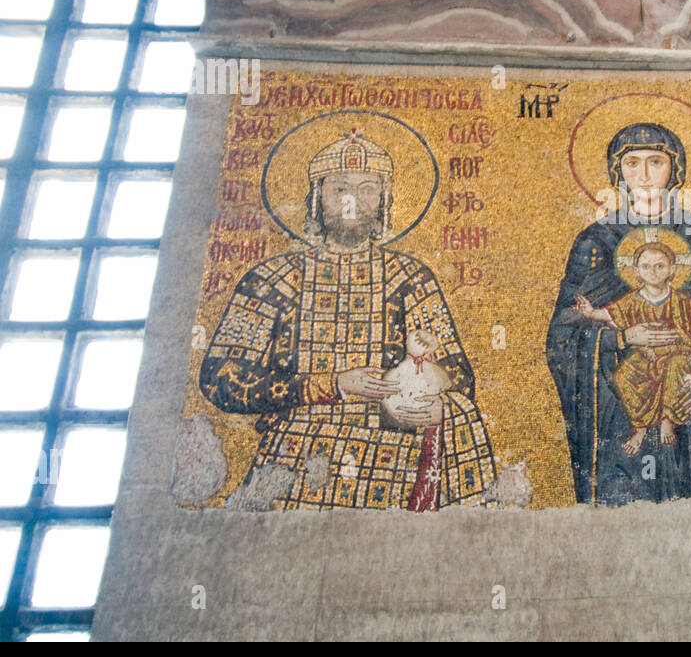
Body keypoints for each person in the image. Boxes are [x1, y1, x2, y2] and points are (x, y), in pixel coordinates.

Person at [199, 130, 496, 511]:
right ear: (316, 198)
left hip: (395, 460)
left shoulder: (410, 278)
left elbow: (456, 371)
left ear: (385, 200)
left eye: (368, 188)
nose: (353, 201)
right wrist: (330, 385)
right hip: (297, 459)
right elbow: (221, 376)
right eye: (340, 188)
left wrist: (440, 406)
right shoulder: (272, 279)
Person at [547, 122, 691, 505]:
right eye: (632, 163)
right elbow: (563, 336)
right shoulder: (596, 243)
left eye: (655, 162)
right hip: (620, 403)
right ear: (616, 172)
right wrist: (621, 337)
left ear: (676, 170)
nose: (643, 174)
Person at [574, 241, 691, 456]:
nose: (652, 272)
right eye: (645, 266)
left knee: (675, 369)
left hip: (678, 354)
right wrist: (590, 313)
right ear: (636, 271)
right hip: (647, 357)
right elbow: (609, 314)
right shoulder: (632, 301)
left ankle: (667, 419)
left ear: (672, 270)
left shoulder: (682, 301)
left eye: (659, 266)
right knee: (625, 375)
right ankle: (641, 429)